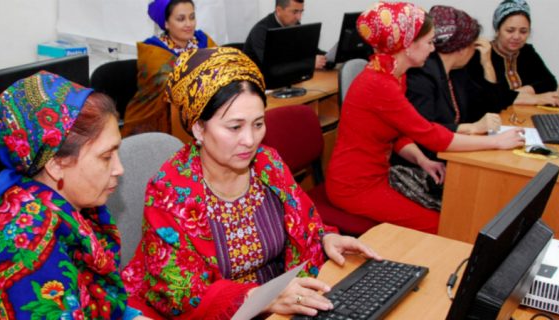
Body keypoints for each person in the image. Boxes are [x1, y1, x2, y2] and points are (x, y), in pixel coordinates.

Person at [121, 47, 380, 319]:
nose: (250, 140)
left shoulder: (267, 163)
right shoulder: (169, 190)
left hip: (279, 304)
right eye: (235, 127)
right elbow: (179, 293)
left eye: (258, 124)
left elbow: (304, 224)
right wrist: (263, 297)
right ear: (199, 128)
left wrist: (326, 238)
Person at [0, 72, 144, 320]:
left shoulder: (70, 206)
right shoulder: (29, 250)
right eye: (106, 157)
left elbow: (97, 299)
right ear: (55, 164)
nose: (119, 169)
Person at [325, 2, 525, 234]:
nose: (433, 49)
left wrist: (422, 161)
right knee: (442, 225)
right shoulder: (380, 84)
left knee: (451, 213)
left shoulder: (393, 74)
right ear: (408, 46)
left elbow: (397, 133)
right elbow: (431, 135)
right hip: (353, 187)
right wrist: (495, 142)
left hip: (377, 176)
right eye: (429, 42)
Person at [392, 5, 505, 168]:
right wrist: (469, 128)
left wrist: (487, 63)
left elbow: (493, 105)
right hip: (424, 164)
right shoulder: (420, 77)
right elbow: (421, 131)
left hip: (447, 155)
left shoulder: (456, 72)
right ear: (461, 48)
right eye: (473, 45)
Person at [121, 0, 216, 137]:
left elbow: (223, 69)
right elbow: (171, 85)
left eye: (192, 17)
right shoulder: (153, 51)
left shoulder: (203, 41)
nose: (189, 24)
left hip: (203, 114)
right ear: (166, 23)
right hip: (157, 124)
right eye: (181, 19)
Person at [467, 0, 559, 106]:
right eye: (510, 30)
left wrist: (516, 94)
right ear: (497, 30)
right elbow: (486, 97)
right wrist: (534, 98)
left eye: (523, 31)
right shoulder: (481, 53)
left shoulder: (527, 51)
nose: (517, 37)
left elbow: (549, 82)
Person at [243, 0, 327, 70]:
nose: (299, 17)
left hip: (284, 80)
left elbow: (309, 50)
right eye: (295, 12)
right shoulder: (261, 31)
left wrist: (330, 57)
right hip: (257, 84)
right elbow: (273, 66)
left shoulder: (294, 24)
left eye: (301, 12)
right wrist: (309, 64)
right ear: (279, 10)